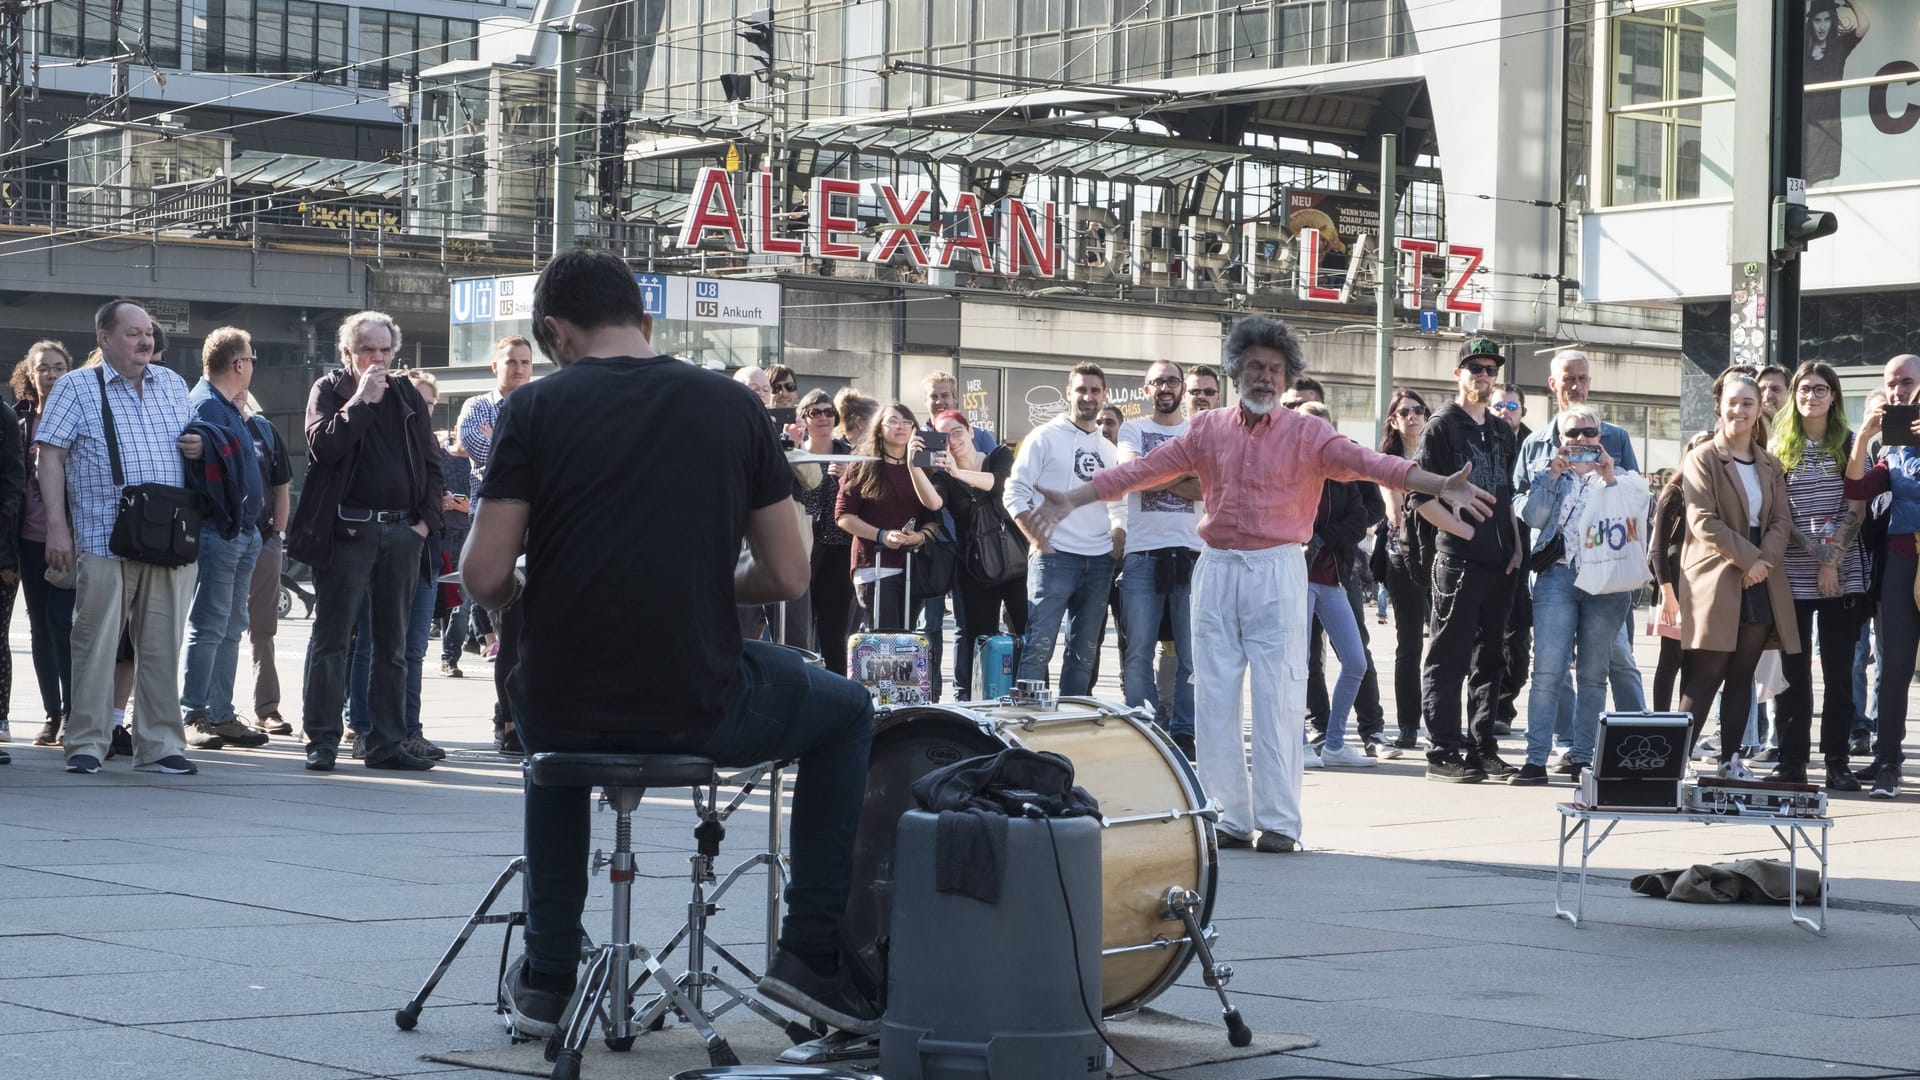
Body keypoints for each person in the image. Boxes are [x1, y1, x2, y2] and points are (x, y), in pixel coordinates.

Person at [462, 249, 878, 1038]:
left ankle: (548, 979)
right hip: (697, 704)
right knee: (849, 710)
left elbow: (482, 575)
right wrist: (696, 581)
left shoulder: (533, 409)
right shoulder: (731, 406)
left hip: (560, 706)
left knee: (552, 723)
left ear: (555, 334)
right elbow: (789, 574)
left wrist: (526, 588)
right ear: (645, 321)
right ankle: (807, 957)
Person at [1024, 315, 1493, 853]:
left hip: (1277, 567)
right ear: (1236, 372)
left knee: (1280, 694)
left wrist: (1438, 484)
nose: (1264, 377)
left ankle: (1278, 822)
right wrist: (1071, 497)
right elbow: (1140, 472)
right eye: (1254, 367)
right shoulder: (1206, 429)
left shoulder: (1309, 433)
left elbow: (1373, 464)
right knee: (1214, 697)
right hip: (1217, 565)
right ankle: (1228, 816)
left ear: (1287, 376)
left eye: (1274, 368)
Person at [38, 299, 205, 776]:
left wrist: (199, 444)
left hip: (169, 541)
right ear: (104, 339)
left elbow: (191, 442)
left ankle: (159, 746)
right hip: (102, 536)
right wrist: (57, 527)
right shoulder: (75, 387)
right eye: (132, 333)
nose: (145, 340)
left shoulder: (172, 383)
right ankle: (87, 744)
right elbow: (49, 458)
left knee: (161, 646)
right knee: (94, 645)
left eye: (147, 332)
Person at [288, 311, 444, 773]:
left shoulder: (408, 395)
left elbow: (431, 464)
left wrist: (425, 523)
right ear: (347, 353)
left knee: (392, 645)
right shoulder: (330, 389)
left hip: (401, 531)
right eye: (366, 350)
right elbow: (322, 447)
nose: (377, 359)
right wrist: (360, 400)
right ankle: (322, 739)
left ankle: (386, 742)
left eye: (384, 351)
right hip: (348, 530)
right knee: (333, 638)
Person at [1678, 369, 1799, 781]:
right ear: (1719, 406)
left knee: (1742, 674)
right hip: (1717, 574)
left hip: (1761, 576)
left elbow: (1782, 520)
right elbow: (1703, 521)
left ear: (1759, 408)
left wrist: (1762, 562)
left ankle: (1730, 760)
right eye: (1732, 402)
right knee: (1708, 672)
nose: (1740, 410)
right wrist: (1749, 561)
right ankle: (1674, 760)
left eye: (1748, 403)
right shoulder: (1703, 457)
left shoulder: (1769, 463)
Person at [1512, 405, 1641, 785]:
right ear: (1559, 440)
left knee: (1593, 675)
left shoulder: (1621, 477)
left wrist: (1610, 477)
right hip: (1559, 578)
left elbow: (1638, 513)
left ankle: (1583, 759)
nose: (1581, 441)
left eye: (1588, 433)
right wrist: (1552, 475)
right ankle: (1535, 759)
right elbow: (1533, 518)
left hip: (1605, 584)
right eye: (1572, 434)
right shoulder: (1548, 474)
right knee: (1548, 671)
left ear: (1601, 438)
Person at [1413, 337, 1523, 783]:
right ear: (1458, 373)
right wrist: (1464, 532)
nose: (1483, 375)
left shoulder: (1500, 429)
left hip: (1500, 562)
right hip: (1458, 562)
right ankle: (1443, 751)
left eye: (1490, 369)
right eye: (1474, 368)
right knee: (1448, 657)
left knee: (1491, 658)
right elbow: (1419, 496)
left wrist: (1514, 544)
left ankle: (1482, 748)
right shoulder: (1442, 426)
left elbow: (1508, 494)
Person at [1771, 361, 1868, 789]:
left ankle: (1836, 760)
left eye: (1821, 389)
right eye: (1805, 389)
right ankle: (1791, 761)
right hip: (1791, 575)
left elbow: (1858, 506)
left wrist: (1831, 562)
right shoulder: (1778, 448)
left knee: (1839, 671)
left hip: (1844, 576)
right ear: (1794, 396)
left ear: (1834, 396)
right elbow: (1779, 514)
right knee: (1793, 672)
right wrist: (1816, 558)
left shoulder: (1848, 443)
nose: (1812, 396)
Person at [178, 327, 271, 750]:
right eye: (251, 358)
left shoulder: (225, 406)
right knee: (212, 625)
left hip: (239, 531)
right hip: (221, 530)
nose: (252, 365)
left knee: (230, 625)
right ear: (239, 364)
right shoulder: (208, 407)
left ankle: (219, 712)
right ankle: (194, 712)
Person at [1005, 365, 1123, 697]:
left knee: (1084, 655)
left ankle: (1074, 721)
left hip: (1099, 561)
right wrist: (1038, 540)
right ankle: (1030, 724)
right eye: (1082, 389)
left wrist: (1117, 540)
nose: (1088, 397)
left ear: (1104, 396)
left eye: (1095, 391)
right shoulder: (1043, 437)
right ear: (1068, 392)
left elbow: (1120, 505)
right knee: (1038, 649)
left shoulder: (1110, 450)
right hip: (1054, 558)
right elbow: (1013, 492)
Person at [1113, 361, 1201, 753]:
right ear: (1146, 390)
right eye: (1157, 382)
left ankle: (1184, 731)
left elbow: (1207, 487)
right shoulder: (1132, 429)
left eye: (1171, 381)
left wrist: (1153, 475)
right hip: (1142, 553)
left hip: (1193, 553)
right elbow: (1132, 475)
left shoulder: (1198, 430)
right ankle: (1146, 727)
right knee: (1138, 651)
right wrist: (1183, 475)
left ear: (1182, 387)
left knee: (1191, 653)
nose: (1165, 387)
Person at [1844, 353, 1920, 799]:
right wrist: (1864, 440)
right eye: (1892, 383)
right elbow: (1857, 489)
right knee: (1893, 669)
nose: (1898, 391)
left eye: (1907, 382)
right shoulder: (1889, 448)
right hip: (1900, 560)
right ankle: (1888, 759)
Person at [1294, 400, 1376, 769]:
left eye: (1322, 429)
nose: (1316, 436)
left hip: (1332, 577)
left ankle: (1335, 743)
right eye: (1308, 427)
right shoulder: (1287, 469)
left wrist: (1323, 537)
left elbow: (1360, 520)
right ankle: (1296, 742)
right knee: (1296, 664)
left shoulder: (1342, 471)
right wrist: (1310, 536)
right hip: (1296, 579)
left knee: (1355, 661)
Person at [930, 410, 1028, 700]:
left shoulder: (999, 455)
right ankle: (982, 703)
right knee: (979, 641)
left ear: (971, 431)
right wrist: (915, 469)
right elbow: (933, 502)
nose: (952, 440)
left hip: (1015, 560)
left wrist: (959, 472)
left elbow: (999, 483)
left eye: (957, 432)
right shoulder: (942, 476)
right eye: (943, 437)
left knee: (1027, 636)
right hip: (974, 569)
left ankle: (1029, 698)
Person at [835, 402, 945, 630]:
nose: (901, 427)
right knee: (885, 635)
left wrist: (921, 537)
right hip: (874, 563)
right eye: (893, 421)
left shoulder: (923, 467)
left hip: (912, 567)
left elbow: (932, 517)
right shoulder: (862, 465)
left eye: (907, 422)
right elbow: (844, 516)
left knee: (907, 635)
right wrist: (882, 536)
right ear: (879, 429)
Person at [14, 342, 74, 747]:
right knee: (39, 628)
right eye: (43, 369)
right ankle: (52, 715)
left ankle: (74, 711)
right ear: (30, 375)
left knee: (63, 623)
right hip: (28, 540)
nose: (51, 375)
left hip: (72, 539)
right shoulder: (19, 422)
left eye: (58, 367)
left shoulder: (80, 416)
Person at [1376, 387, 1431, 757]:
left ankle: (1442, 723)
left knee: (1447, 646)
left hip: (1444, 555)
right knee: (1409, 644)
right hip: (1404, 556)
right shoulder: (1387, 461)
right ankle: (1409, 725)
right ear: (1394, 421)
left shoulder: (1438, 451)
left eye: (1418, 410)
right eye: (1404, 412)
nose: (1412, 417)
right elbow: (1395, 513)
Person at [242, 392, 295, 735]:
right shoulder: (202, 415)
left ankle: (267, 708)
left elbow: (281, 485)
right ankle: (202, 709)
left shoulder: (262, 429)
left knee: (264, 628)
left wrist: (276, 533)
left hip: (263, 538)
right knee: (211, 629)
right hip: (218, 538)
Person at [794, 389, 855, 674]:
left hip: (839, 548)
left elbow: (863, 497)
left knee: (834, 629)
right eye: (815, 412)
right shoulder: (794, 453)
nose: (823, 417)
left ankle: (837, 688)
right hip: (801, 548)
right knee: (798, 629)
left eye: (828, 412)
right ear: (803, 418)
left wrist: (846, 478)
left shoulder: (849, 454)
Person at [1494, 383, 1532, 738]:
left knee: (1518, 638)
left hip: (1528, 556)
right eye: (1499, 406)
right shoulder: (1481, 440)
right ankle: (1491, 708)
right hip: (1489, 549)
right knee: (1486, 637)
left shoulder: (1534, 446)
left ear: (1522, 411)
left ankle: (1505, 703)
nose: (1505, 411)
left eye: (1511, 406)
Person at [1803, 0, 1867, 186]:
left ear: (1832, 21)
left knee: (1823, 195)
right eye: (1817, 21)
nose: (1822, 26)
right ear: (1811, 22)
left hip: (1827, 134)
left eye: (1826, 20)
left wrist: (1850, 2)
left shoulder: (1838, 48)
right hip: (1804, 131)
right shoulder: (1802, 52)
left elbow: (1864, 25)